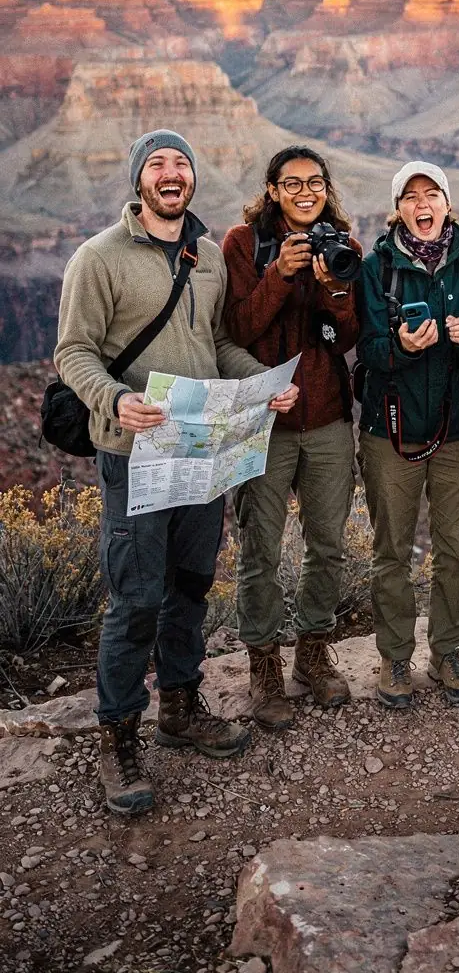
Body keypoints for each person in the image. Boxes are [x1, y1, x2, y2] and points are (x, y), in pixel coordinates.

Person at [54, 130, 298, 816]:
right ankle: (118, 737)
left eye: (181, 163)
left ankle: (181, 708)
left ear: (193, 179)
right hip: (134, 453)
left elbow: (215, 343)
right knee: (136, 597)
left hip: (200, 450)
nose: (171, 173)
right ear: (139, 180)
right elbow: (73, 352)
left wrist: (262, 384)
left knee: (190, 585)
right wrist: (115, 399)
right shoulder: (98, 257)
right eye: (157, 164)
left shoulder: (209, 255)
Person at [222, 146, 361, 729]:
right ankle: (263, 664)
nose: (306, 192)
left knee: (327, 543)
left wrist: (333, 287)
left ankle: (312, 651)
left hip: (327, 419)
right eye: (293, 183)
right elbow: (236, 329)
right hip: (264, 421)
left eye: (316, 182)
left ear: (327, 188)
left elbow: (347, 338)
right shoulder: (243, 244)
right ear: (273, 190)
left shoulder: (344, 246)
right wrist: (279, 274)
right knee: (260, 547)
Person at [357, 161, 459, 708]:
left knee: (455, 548)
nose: (422, 204)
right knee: (392, 550)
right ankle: (395, 656)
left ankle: (448, 652)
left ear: (447, 203)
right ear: (398, 209)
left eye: (432, 193)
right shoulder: (376, 268)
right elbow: (366, 349)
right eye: (410, 196)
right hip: (391, 431)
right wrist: (401, 347)